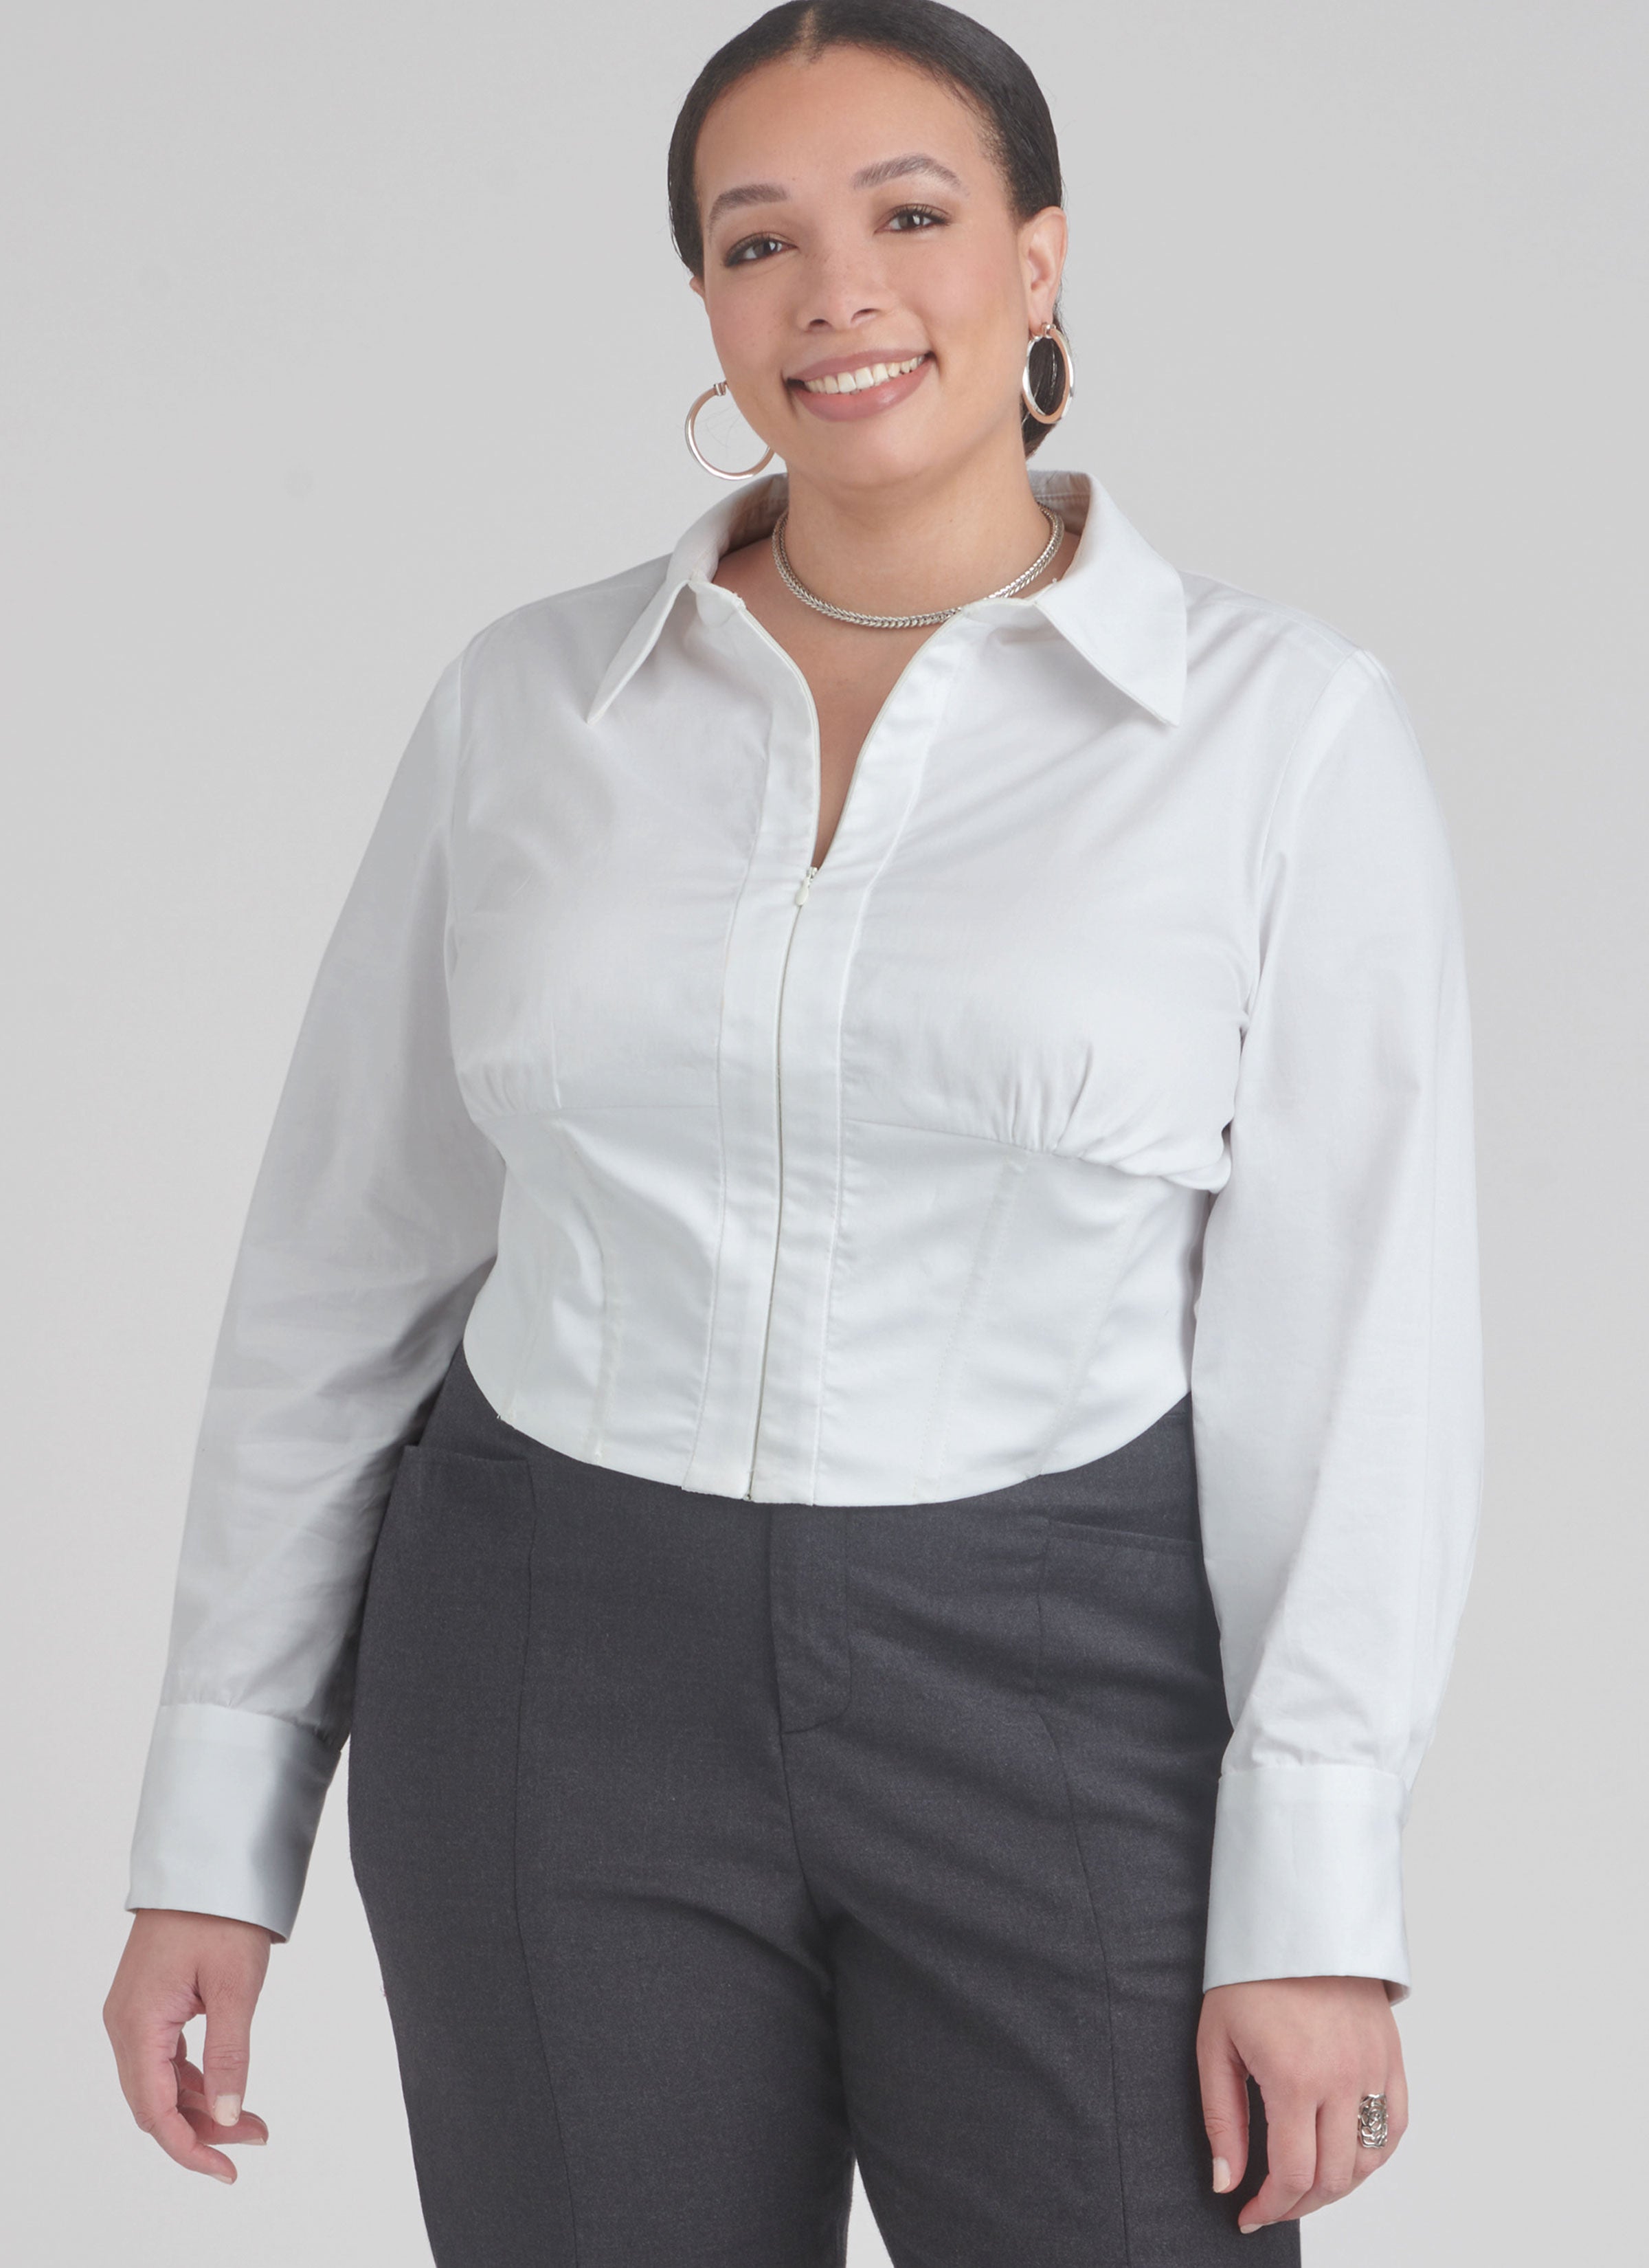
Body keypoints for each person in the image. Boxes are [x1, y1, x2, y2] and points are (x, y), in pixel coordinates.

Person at [102, 3, 1483, 2259]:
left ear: (1038, 260)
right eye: (759, 242)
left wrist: (1320, 1896)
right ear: (707, 303)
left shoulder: (1281, 736)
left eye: (910, 216)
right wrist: (210, 1836)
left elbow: (1361, 1348)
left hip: (1064, 1680)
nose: (839, 292)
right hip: (546, 1665)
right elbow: (340, 1270)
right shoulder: (530, 706)